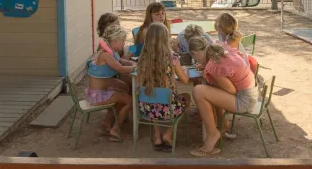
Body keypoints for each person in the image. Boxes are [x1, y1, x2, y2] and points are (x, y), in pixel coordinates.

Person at [188, 37, 257, 157]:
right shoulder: (218, 49)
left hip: (244, 100)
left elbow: (231, 90)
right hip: (251, 91)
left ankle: (212, 134)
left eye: (194, 58)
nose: (196, 61)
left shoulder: (213, 66)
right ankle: (222, 124)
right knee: (210, 92)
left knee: (199, 91)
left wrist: (209, 77)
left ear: (194, 53)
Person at [137, 23, 191, 152]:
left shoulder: (142, 58)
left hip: (146, 108)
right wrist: (185, 71)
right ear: (165, 39)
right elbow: (184, 80)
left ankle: (157, 136)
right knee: (187, 98)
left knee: (152, 96)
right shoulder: (172, 58)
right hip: (169, 109)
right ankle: (168, 134)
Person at [86, 25, 135, 142]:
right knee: (129, 101)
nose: (124, 43)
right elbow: (121, 69)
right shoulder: (106, 55)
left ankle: (107, 123)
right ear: (114, 41)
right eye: (122, 40)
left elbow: (121, 61)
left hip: (97, 92)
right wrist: (133, 68)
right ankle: (115, 130)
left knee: (123, 89)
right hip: (97, 96)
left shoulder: (110, 52)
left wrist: (132, 63)